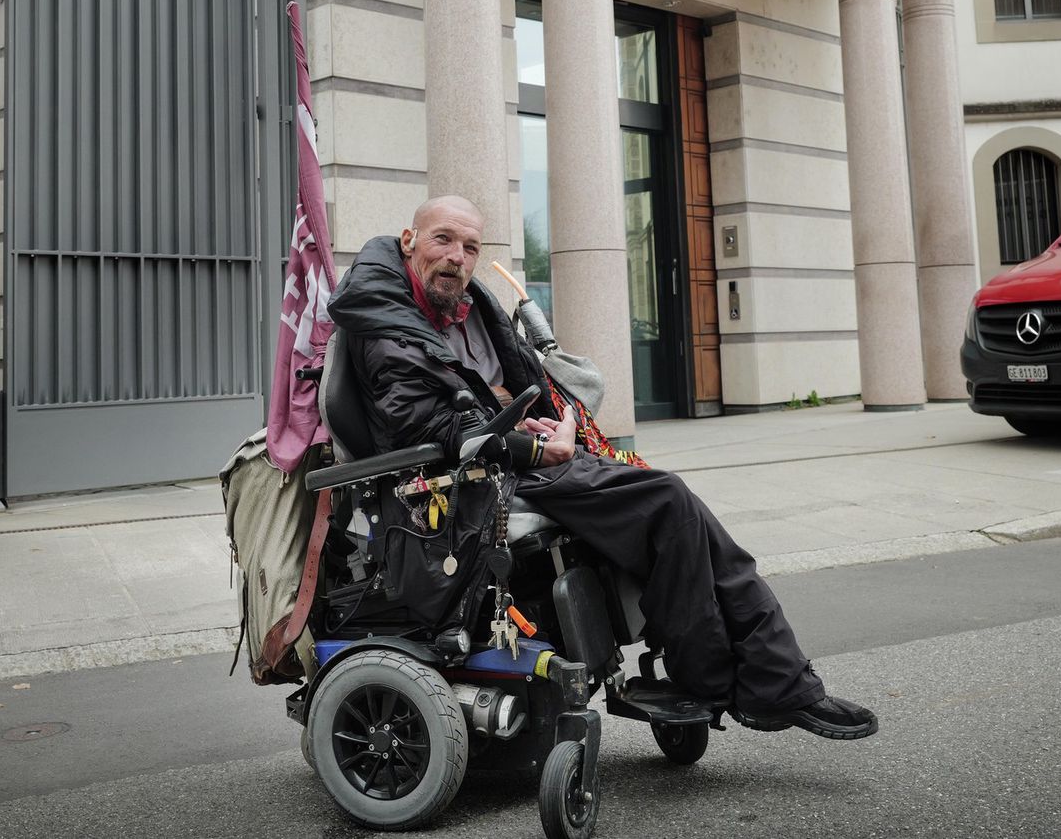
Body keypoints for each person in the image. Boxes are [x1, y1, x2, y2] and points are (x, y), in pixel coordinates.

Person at [326, 194, 878, 741]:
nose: (457, 257)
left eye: (470, 247)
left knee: (683, 518)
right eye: (442, 240)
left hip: (515, 457)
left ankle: (767, 684)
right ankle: (750, 685)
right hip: (467, 484)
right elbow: (423, 427)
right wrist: (536, 447)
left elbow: (501, 394)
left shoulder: (463, 309)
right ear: (409, 242)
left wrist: (548, 424)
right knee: (668, 504)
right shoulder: (387, 324)